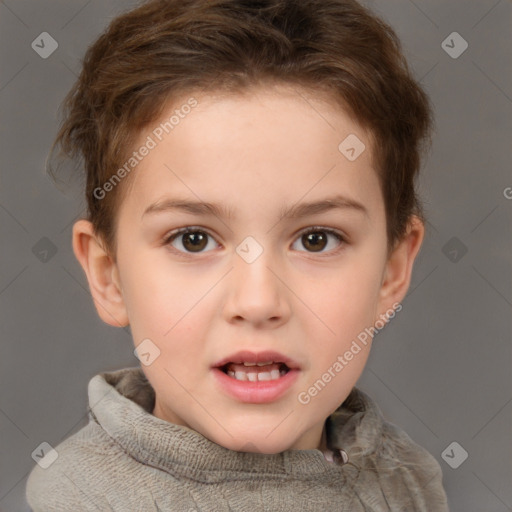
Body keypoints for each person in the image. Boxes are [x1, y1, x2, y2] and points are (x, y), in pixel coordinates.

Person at [25, 0, 450, 509]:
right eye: (193, 239)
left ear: (392, 272)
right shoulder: (81, 500)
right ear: (108, 274)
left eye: (316, 239)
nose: (257, 300)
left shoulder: (409, 485)